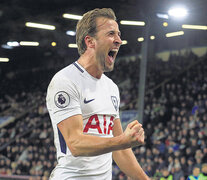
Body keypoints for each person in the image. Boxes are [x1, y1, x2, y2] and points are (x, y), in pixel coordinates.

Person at [46, 8, 150, 180]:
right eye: (111, 34)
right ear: (90, 41)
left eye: (119, 34)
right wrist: (123, 140)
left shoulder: (111, 88)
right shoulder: (65, 80)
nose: (119, 40)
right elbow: (76, 143)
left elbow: (121, 151)